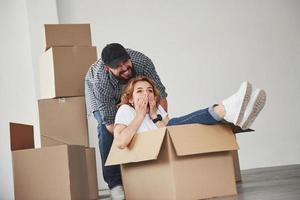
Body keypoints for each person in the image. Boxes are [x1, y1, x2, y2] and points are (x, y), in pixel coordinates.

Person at [85, 43, 168, 199]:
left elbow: (161, 97)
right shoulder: (100, 82)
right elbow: (111, 125)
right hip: (102, 97)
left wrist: (157, 118)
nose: (124, 67)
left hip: (131, 91)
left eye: (125, 61)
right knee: (104, 130)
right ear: (108, 68)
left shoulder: (142, 62)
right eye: (118, 66)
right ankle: (115, 184)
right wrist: (131, 133)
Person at [113, 76, 267, 149]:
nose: (146, 94)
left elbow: (170, 134)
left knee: (178, 126)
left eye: (149, 91)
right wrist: (140, 115)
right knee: (173, 124)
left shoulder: (157, 109)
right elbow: (120, 143)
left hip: (172, 147)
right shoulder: (126, 110)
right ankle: (226, 109)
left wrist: (154, 116)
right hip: (152, 153)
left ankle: (235, 113)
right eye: (139, 91)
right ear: (131, 99)